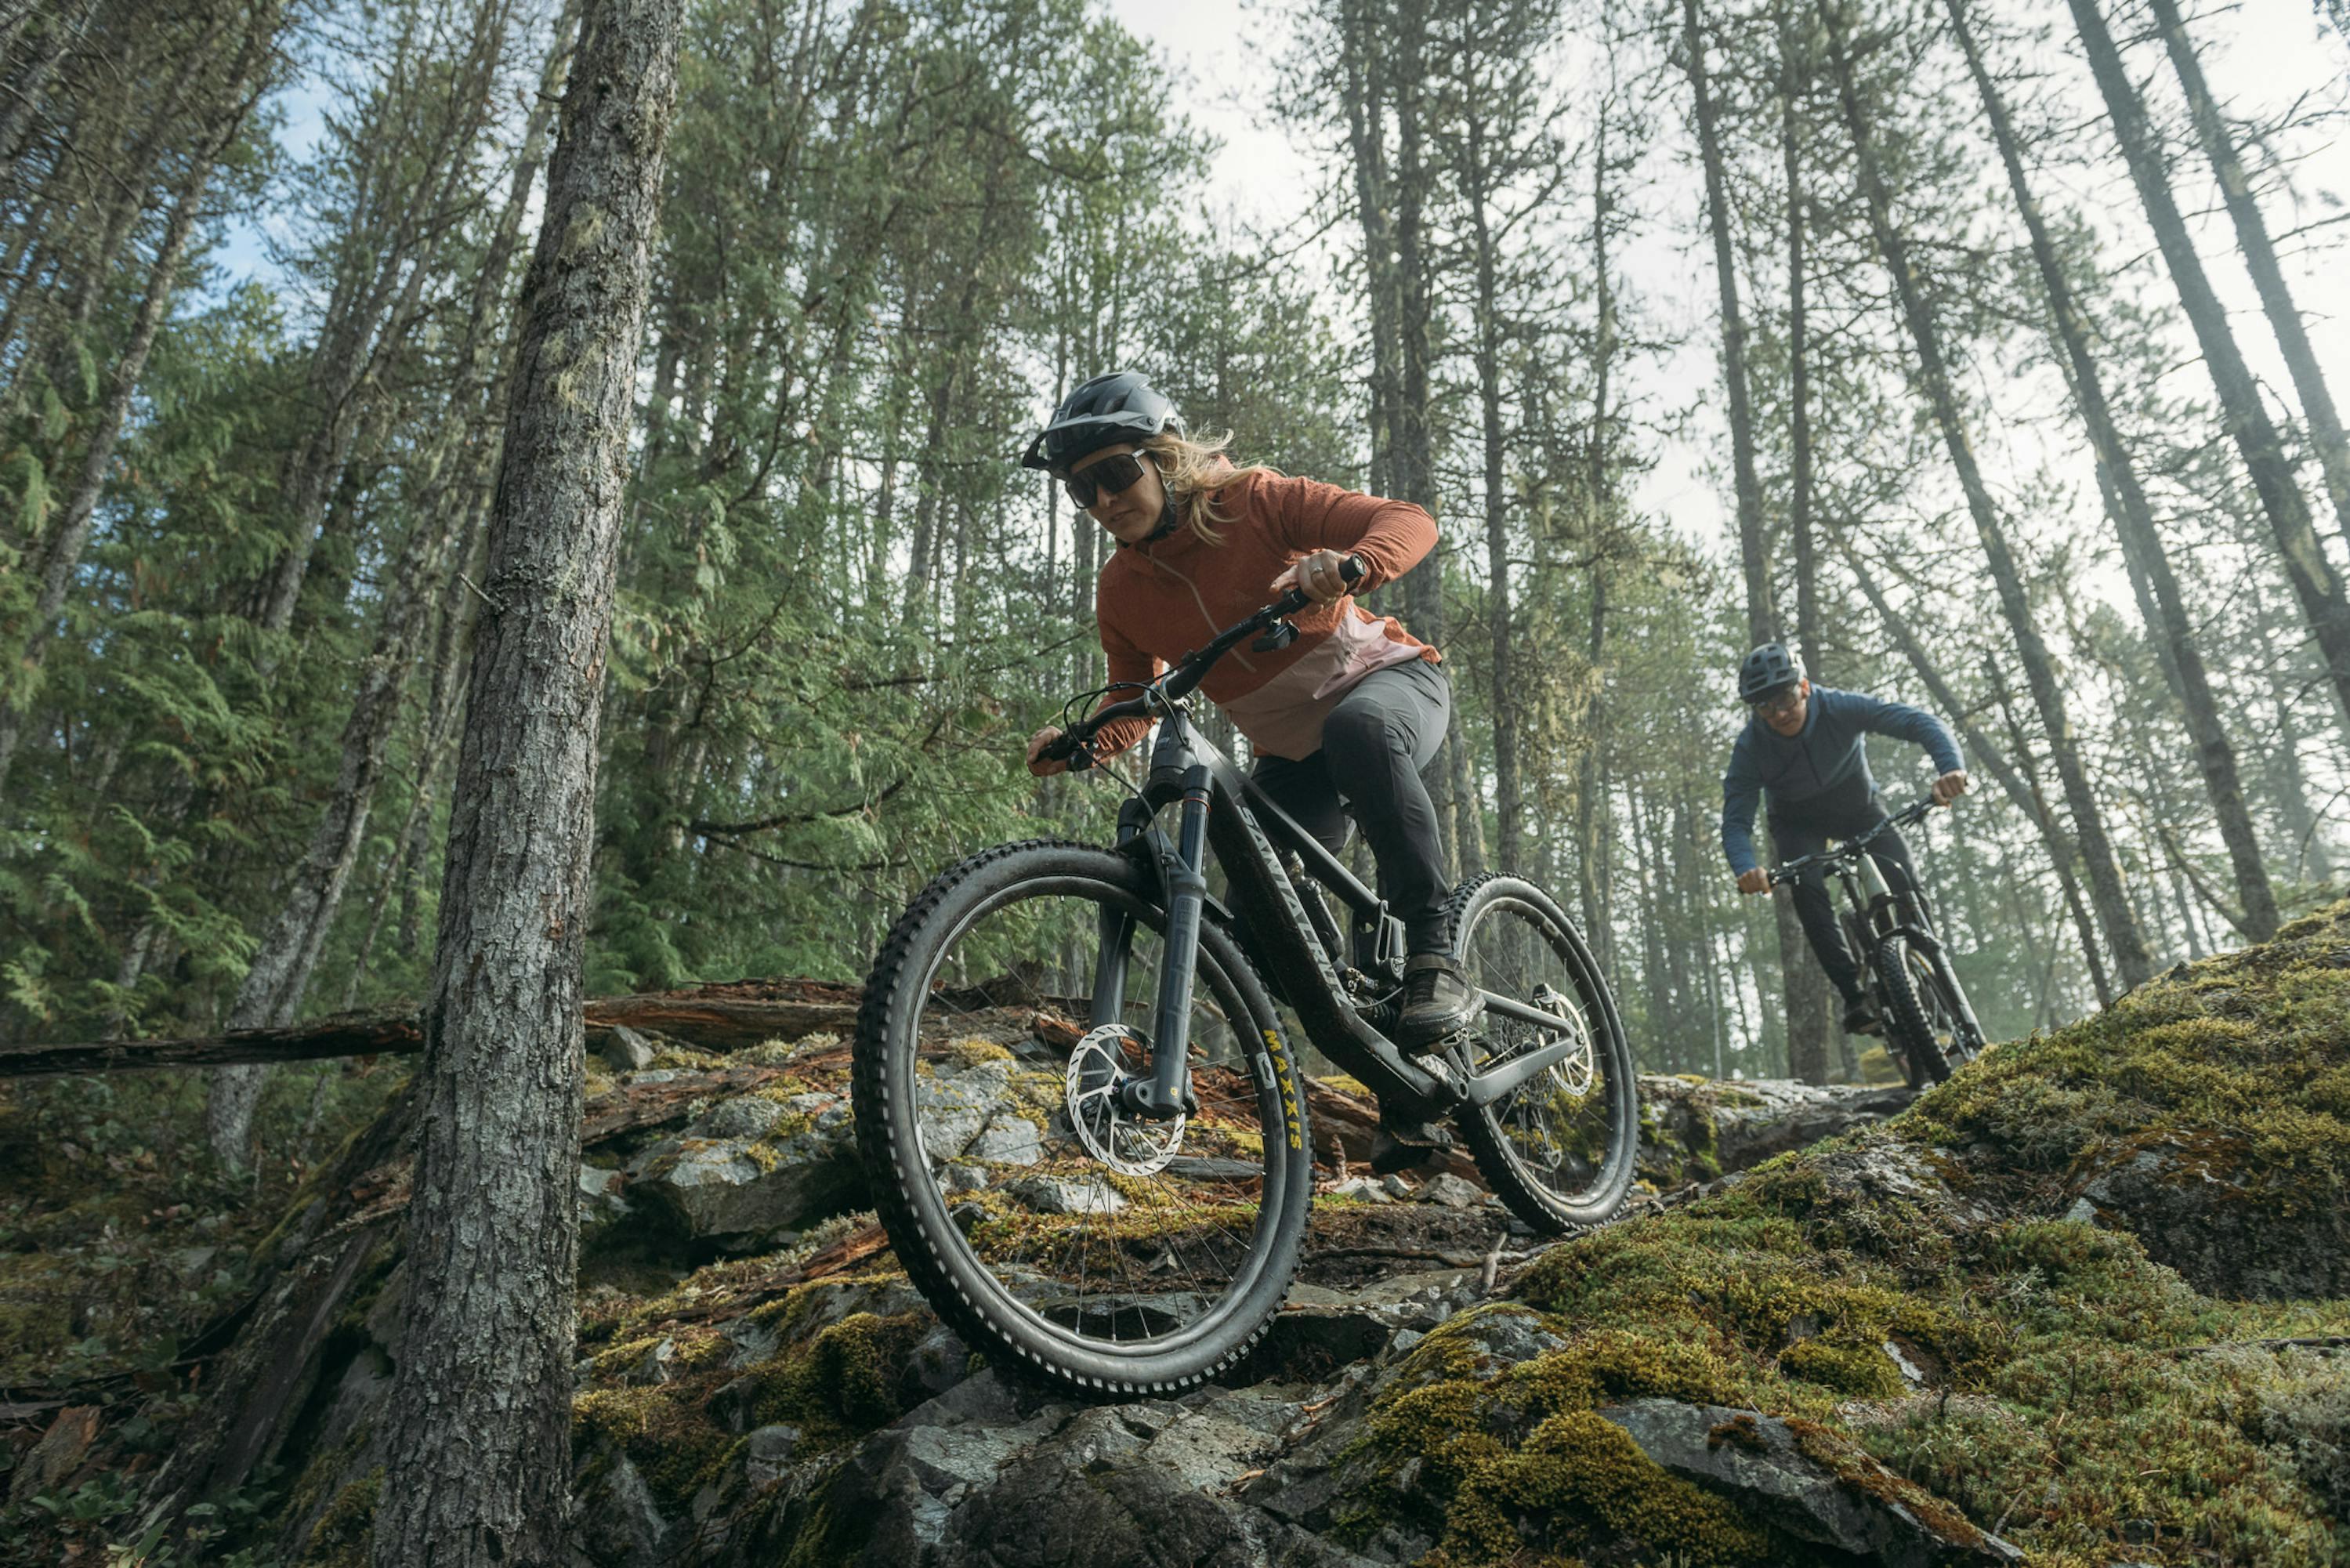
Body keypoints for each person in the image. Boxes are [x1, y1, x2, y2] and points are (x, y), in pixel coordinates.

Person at [1019, 370, 1479, 1052]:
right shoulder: (1121, 590)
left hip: (1389, 686)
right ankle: (1390, 1056)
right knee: (1255, 917)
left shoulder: (1256, 502)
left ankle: (1435, 953)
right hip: (1294, 756)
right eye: (1082, 489)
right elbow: (1134, 698)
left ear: (1165, 458)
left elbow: (1409, 522)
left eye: (1116, 473)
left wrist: (1351, 564)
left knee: (1358, 729)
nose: (1105, 500)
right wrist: (1085, 742)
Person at [1721, 643, 1969, 1034]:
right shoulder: (1751, 747)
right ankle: (1855, 996)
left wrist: (1950, 769)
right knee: (1808, 893)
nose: (1780, 713)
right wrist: (1746, 868)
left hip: (1858, 807)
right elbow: (1736, 819)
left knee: (1903, 874)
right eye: (1765, 707)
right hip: (1797, 823)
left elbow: (1921, 723)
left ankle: (1928, 960)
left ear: (1803, 686)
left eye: (1785, 698)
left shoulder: (1839, 707)